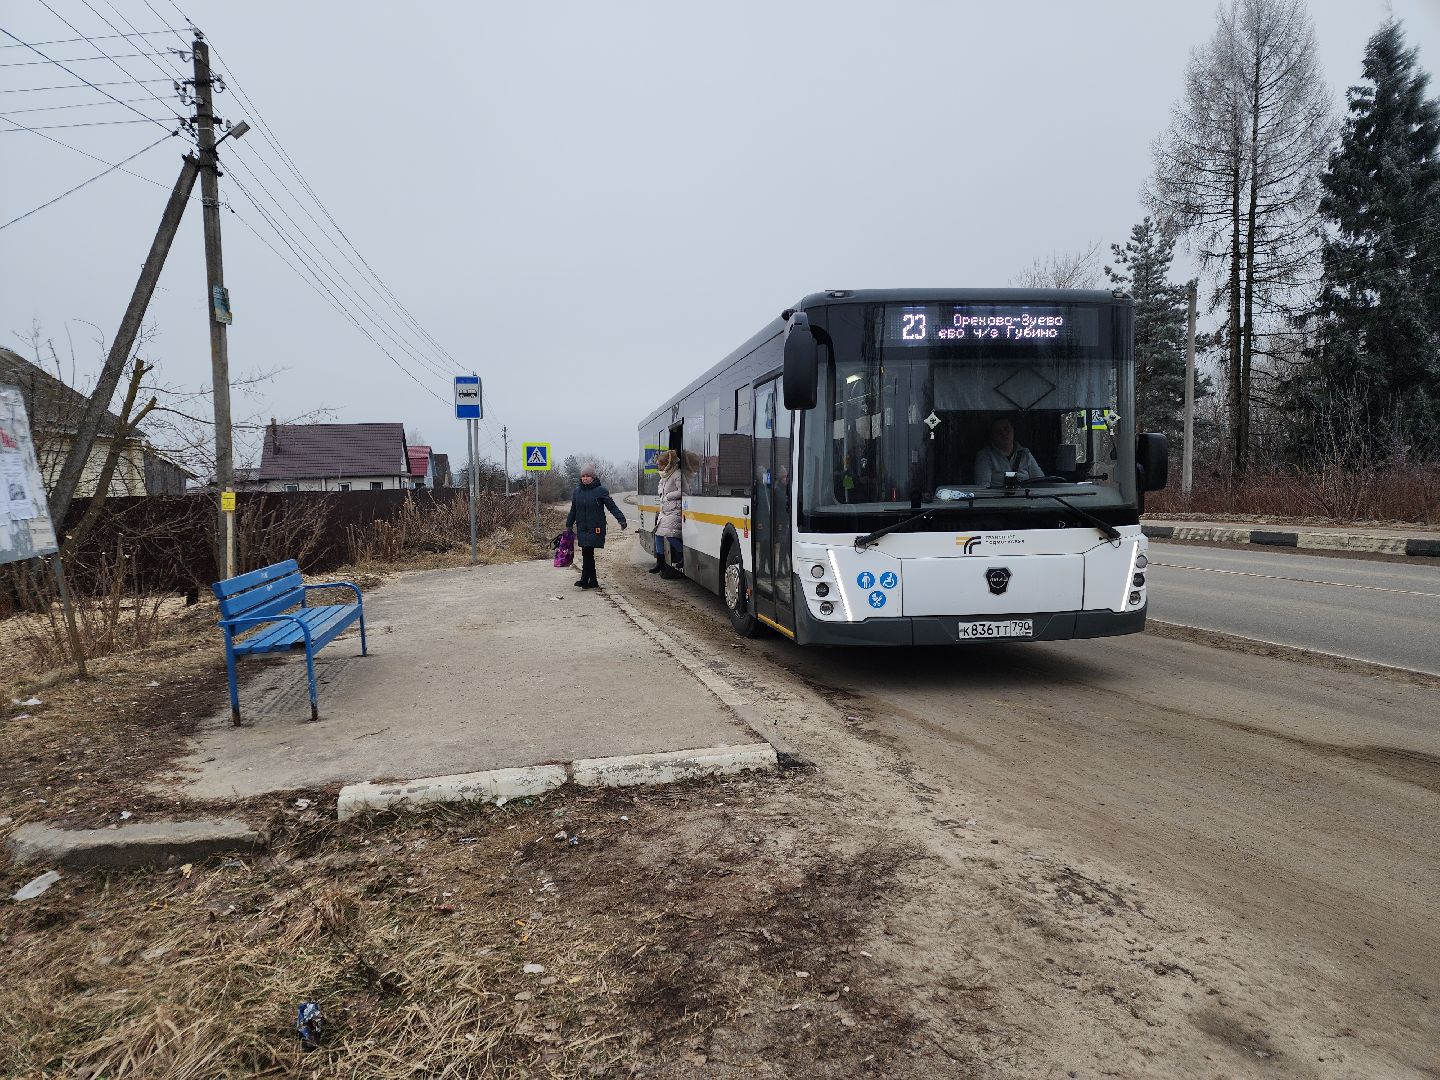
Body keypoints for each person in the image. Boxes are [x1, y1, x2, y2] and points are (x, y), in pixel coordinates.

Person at [566, 463, 627, 589]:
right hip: (582, 526)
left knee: (587, 551)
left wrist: (621, 519)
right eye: (583, 476)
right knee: (587, 553)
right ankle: (593, 581)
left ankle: (584, 579)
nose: (585, 478)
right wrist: (569, 524)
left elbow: (612, 506)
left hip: (596, 526)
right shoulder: (577, 492)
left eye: (588, 476)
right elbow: (573, 510)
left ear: (593, 477)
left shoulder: (601, 491)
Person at [974, 416, 1043, 487]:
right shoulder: (985, 456)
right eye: (998, 431)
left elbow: (1041, 482)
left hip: (1025, 497)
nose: (1003, 433)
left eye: (1006, 428)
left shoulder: (1025, 454)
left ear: (1013, 430)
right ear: (992, 435)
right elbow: (982, 487)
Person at [651, 449, 683, 579]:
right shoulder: (665, 475)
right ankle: (660, 562)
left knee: (669, 535)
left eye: (660, 464)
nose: (658, 467)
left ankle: (682, 554)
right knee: (658, 534)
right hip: (665, 511)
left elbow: (683, 491)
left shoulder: (677, 475)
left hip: (675, 511)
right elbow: (660, 487)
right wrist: (662, 494)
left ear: (667, 464)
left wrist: (668, 496)